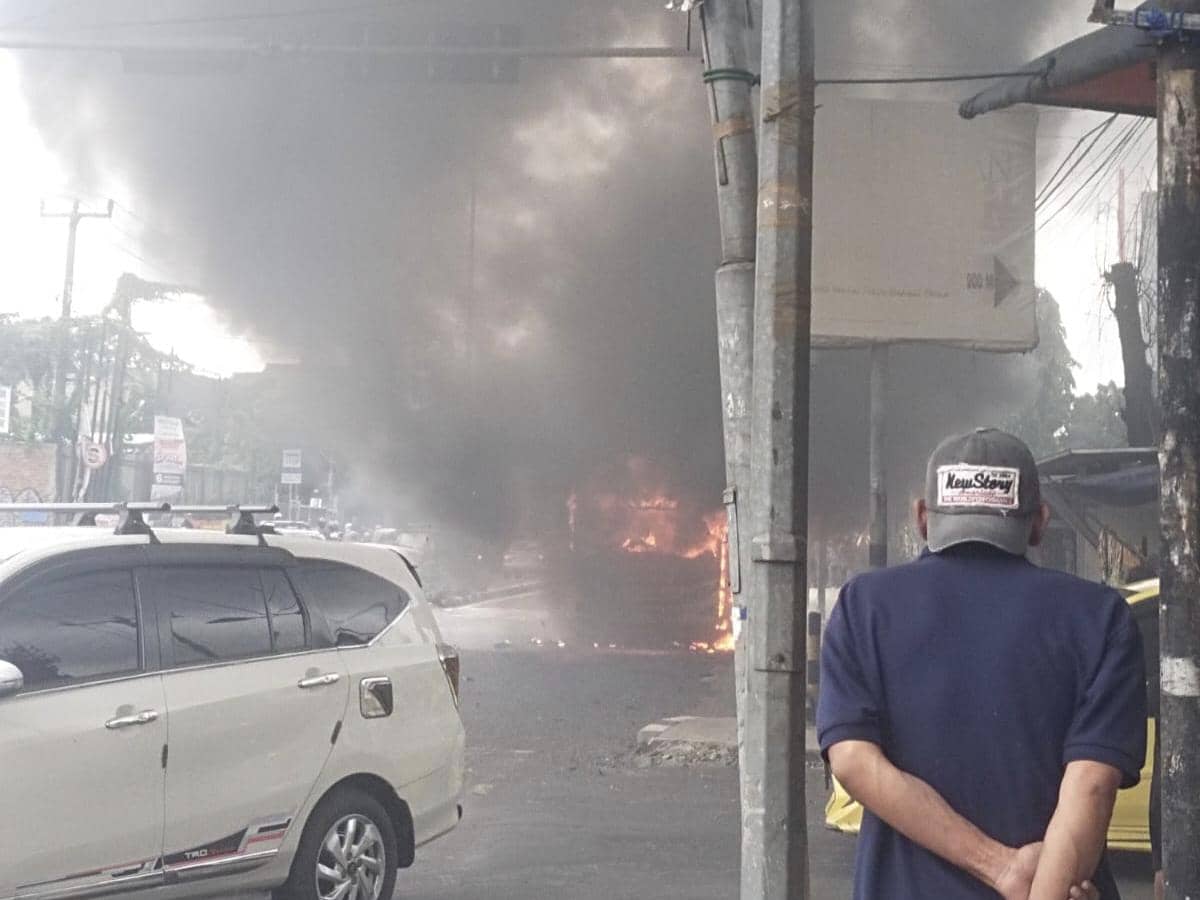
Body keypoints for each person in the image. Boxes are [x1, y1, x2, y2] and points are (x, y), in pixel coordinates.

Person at [818, 428, 1148, 900]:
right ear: (1038, 523)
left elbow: (852, 760)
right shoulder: (1098, 617)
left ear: (922, 518)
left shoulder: (864, 607)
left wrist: (1000, 867)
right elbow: (1092, 786)